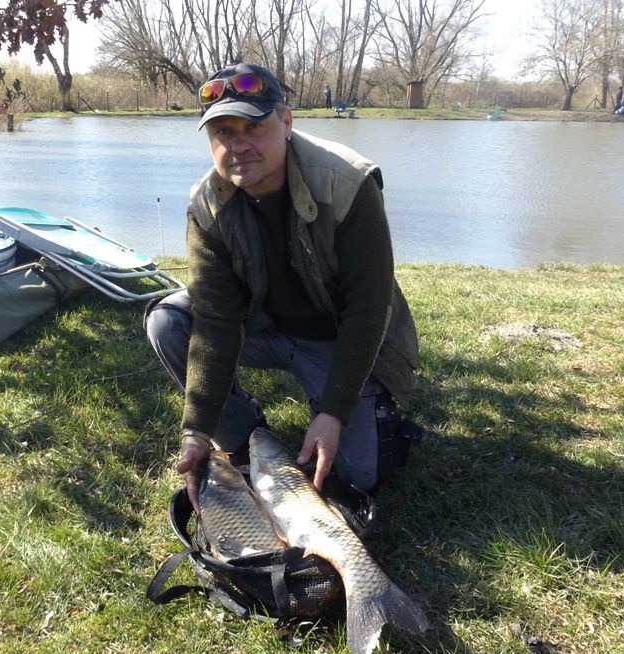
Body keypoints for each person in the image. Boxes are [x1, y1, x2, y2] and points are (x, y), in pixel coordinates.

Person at [144, 63, 420, 510]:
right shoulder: (206, 204)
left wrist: (333, 413)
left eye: (254, 126)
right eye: (223, 132)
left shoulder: (348, 182)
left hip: (334, 337)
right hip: (263, 327)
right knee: (168, 320)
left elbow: (368, 309)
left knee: (358, 476)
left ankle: (362, 408)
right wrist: (197, 427)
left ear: (286, 122)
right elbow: (215, 318)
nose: (239, 145)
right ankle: (241, 435)